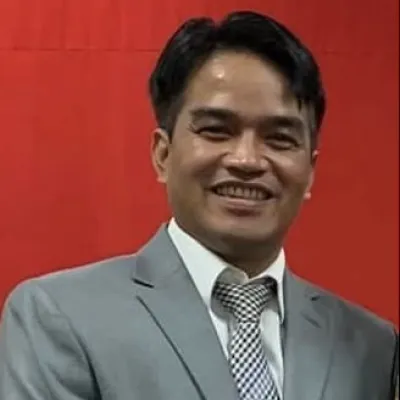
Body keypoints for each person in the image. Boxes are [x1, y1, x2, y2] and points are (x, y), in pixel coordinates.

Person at [0, 10, 398, 400]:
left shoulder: (372, 347)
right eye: (216, 130)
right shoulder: (60, 316)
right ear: (162, 154)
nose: (246, 160)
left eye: (279, 138)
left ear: (309, 171)